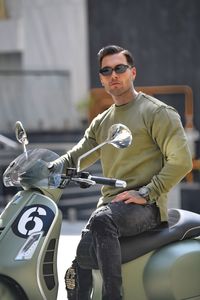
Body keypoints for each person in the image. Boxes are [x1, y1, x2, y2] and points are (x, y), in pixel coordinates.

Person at [51, 45, 192, 300]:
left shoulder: (157, 112)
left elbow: (182, 161)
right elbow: (76, 156)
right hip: (109, 208)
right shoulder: (102, 121)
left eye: (119, 68)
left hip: (144, 206)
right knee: (77, 268)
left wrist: (148, 192)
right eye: (106, 70)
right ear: (101, 78)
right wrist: (45, 168)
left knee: (102, 220)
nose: (113, 74)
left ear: (133, 72)